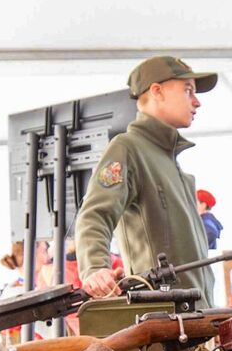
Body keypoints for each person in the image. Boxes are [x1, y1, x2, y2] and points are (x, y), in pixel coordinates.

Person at [74, 55, 216, 304]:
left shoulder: (170, 160)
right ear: (157, 91)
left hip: (196, 317)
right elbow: (94, 215)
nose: (197, 102)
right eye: (188, 90)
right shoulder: (127, 149)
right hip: (163, 321)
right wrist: (95, 268)